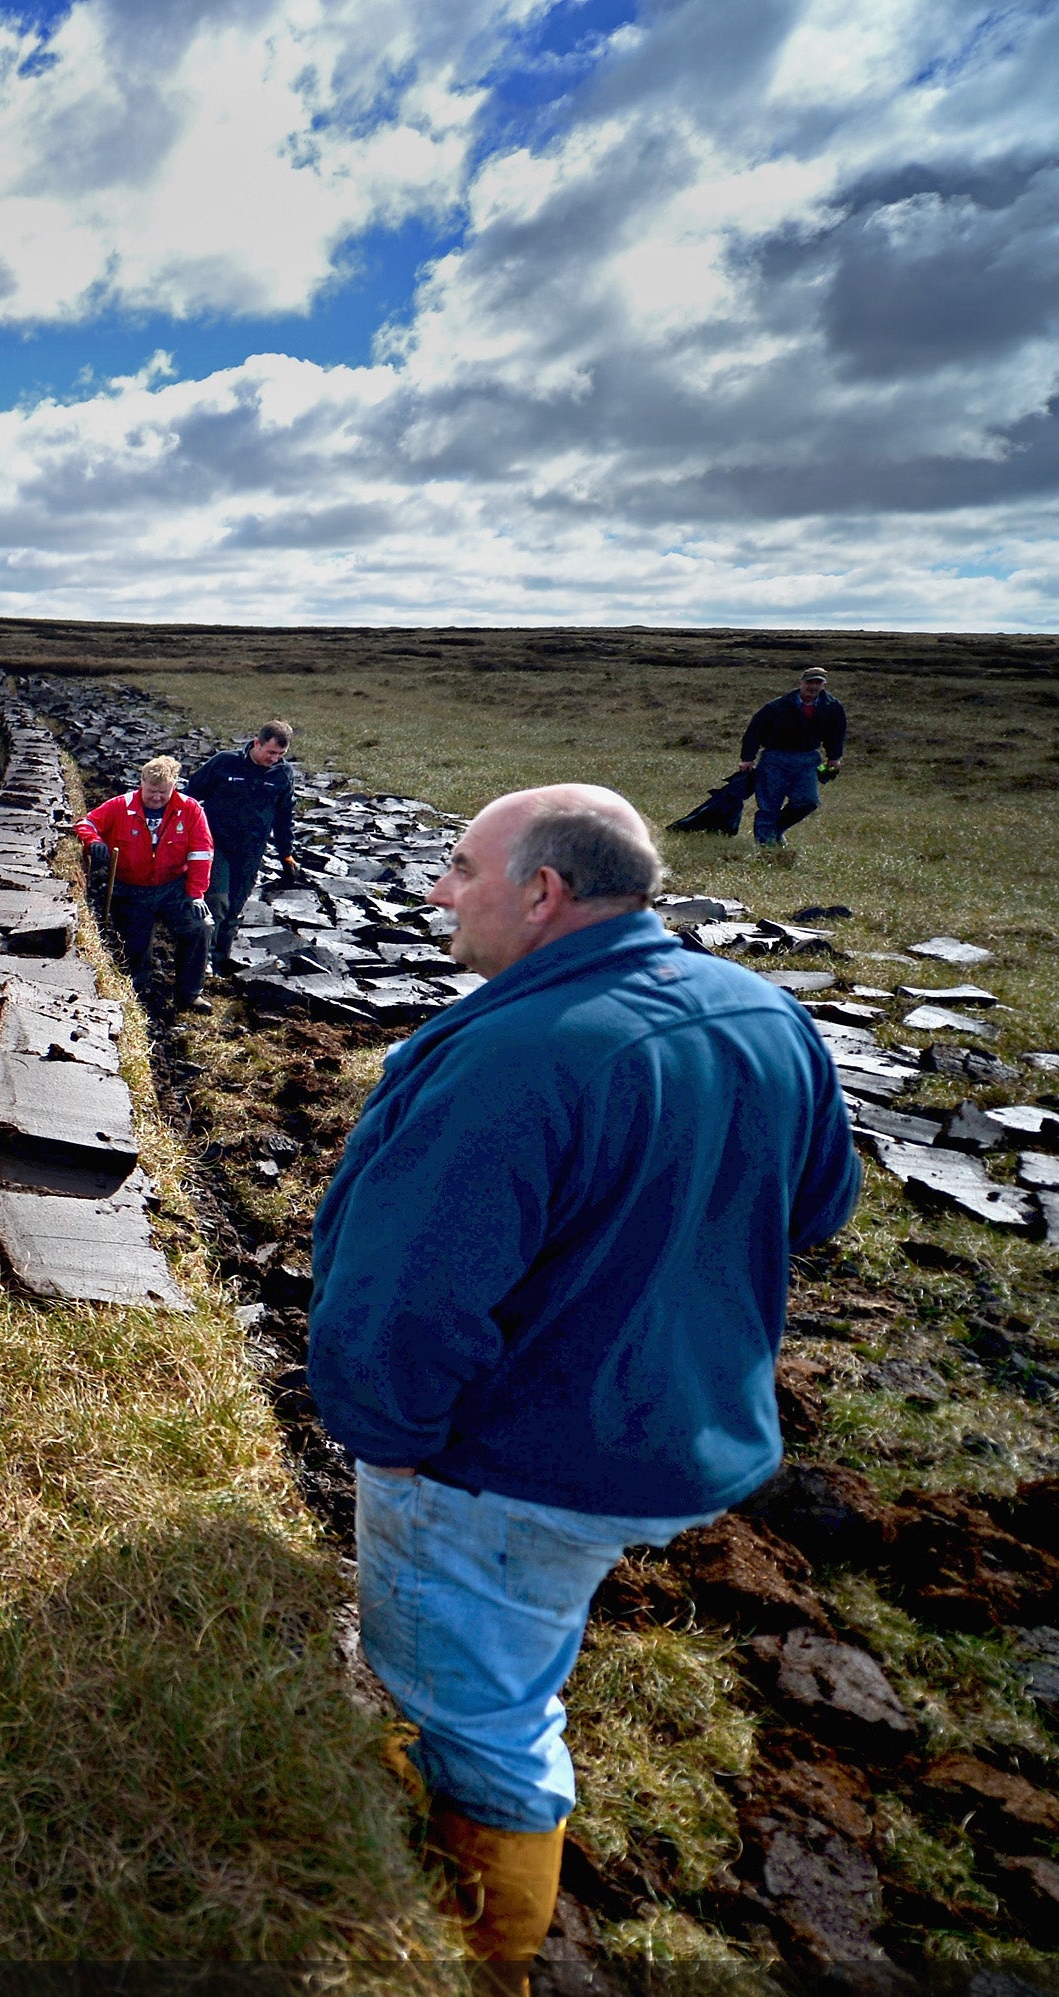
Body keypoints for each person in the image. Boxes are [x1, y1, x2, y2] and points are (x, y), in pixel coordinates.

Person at [306, 785, 859, 1962]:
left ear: (543, 892)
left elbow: (404, 1300)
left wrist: (389, 1440)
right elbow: (817, 1208)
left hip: (516, 1462)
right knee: (526, 1643)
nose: (439, 890)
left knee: (477, 1710)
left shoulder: (514, 1057)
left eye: (461, 867)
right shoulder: (763, 1014)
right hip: (681, 1431)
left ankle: (471, 1951)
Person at [73, 755, 215, 1014]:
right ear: (141, 783)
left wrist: (196, 895)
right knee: (134, 949)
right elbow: (86, 822)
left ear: (174, 787)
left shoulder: (191, 809)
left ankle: (189, 994)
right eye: (151, 791)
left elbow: (201, 853)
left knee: (200, 927)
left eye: (163, 792)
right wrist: (92, 841)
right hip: (130, 889)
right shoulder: (120, 805)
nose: (157, 797)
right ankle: (136, 993)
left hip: (174, 888)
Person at [185, 720, 300, 969]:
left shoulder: (283, 774)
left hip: (251, 850)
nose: (274, 758)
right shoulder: (225, 762)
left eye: (281, 754)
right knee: (216, 901)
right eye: (270, 752)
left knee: (235, 906)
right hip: (216, 845)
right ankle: (202, 963)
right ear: (256, 743)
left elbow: (284, 816)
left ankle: (220, 960)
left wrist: (286, 854)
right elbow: (190, 796)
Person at [737, 667, 846, 849]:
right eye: (809, 682)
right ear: (801, 683)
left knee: (807, 801)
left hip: (808, 759)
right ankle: (766, 847)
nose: (813, 687)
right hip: (774, 758)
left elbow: (837, 733)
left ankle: (775, 830)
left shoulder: (832, 707)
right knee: (769, 804)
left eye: (818, 683)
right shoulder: (777, 706)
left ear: (824, 685)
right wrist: (747, 758)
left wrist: (834, 757)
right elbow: (754, 731)